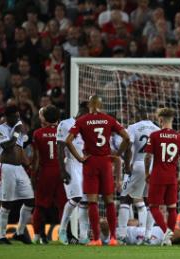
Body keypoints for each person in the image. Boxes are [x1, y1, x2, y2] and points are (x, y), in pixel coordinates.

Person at [66, 96, 131, 246]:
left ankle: (96, 239)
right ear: (101, 104)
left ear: (89, 104)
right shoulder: (108, 119)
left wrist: (79, 158)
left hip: (90, 162)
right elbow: (126, 138)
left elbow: (68, 140)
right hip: (106, 162)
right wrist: (117, 154)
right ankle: (113, 238)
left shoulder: (82, 120)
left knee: (92, 202)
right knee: (109, 201)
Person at [144, 108, 180, 246]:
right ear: (172, 120)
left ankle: (166, 233)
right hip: (172, 176)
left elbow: (148, 156)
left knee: (153, 207)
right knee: (172, 208)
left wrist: (147, 172)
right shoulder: (179, 137)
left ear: (161, 120)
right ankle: (168, 237)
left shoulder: (154, 135)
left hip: (158, 176)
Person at [118, 108, 160, 245]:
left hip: (138, 164)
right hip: (153, 167)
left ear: (137, 117)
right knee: (151, 202)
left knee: (126, 198)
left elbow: (129, 146)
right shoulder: (156, 129)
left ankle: (122, 235)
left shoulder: (133, 127)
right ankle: (147, 236)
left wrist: (127, 165)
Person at [31, 105, 67, 244]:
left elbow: (37, 157)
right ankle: (64, 234)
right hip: (62, 170)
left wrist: (34, 175)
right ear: (58, 118)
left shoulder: (38, 133)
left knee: (40, 204)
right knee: (63, 205)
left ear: (45, 118)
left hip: (46, 171)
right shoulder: (64, 131)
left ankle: (37, 236)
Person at [0, 106, 34, 245]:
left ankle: (19, 233)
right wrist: (17, 131)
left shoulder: (18, 129)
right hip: (6, 168)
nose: (18, 119)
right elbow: (8, 146)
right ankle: (1, 236)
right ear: (8, 117)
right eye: (15, 116)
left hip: (19, 168)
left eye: (19, 116)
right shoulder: (1, 129)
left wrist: (28, 165)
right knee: (7, 203)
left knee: (30, 200)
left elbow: (19, 149)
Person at [56, 101, 90, 245]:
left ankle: (83, 236)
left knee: (85, 201)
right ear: (82, 112)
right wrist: (63, 171)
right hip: (70, 164)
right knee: (75, 197)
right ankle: (62, 230)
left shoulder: (87, 126)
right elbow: (60, 148)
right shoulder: (65, 124)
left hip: (85, 165)